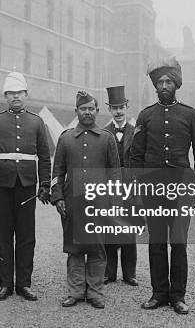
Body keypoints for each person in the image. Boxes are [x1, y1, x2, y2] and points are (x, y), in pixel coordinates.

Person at [130, 56, 195, 314]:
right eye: (160, 81)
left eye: (168, 81)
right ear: (155, 86)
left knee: (178, 242)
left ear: (176, 84)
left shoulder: (190, 115)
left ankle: (178, 296)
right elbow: (135, 157)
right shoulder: (146, 116)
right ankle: (158, 293)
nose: (164, 85)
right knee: (155, 241)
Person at [0, 71, 51, 302]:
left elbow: (44, 155)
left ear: (26, 94)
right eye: (10, 93)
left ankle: (24, 284)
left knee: (26, 235)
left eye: (19, 92)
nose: (15, 97)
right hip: (1, 182)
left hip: (27, 185)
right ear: (5, 96)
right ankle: (5, 284)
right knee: (2, 234)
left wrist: (45, 184)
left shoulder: (37, 121)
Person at [51, 91, 121, 309]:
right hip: (72, 203)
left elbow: (115, 173)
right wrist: (58, 197)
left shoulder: (107, 139)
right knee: (74, 248)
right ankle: (75, 291)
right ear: (76, 112)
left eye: (91, 108)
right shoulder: (65, 138)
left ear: (97, 111)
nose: (87, 112)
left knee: (98, 248)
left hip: (100, 203)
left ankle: (95, 292)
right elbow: (57, 172)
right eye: (83, 109)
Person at [102, 86, 139, 287]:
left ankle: (129, 273)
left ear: (127, 107)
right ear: (109, 109)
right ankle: (109, 273)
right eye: (114, 108)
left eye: (121, 107)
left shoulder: (136, 132)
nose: (118, 111)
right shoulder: (103, 132)